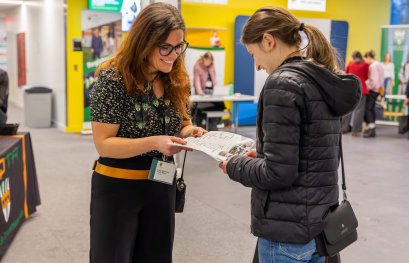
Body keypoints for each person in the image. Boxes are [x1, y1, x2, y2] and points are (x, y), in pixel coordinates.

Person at [218, 6, 360, 263]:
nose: (258, 65)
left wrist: (235, 165)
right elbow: (308, 155)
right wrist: (261, 155)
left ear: (268, 40)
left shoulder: (281, 84)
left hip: (287, 234)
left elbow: (278, 172)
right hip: (319, 229)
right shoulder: (320, 79)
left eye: (253, 54)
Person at [89, 3, 205, 262]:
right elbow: (104, 144)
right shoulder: (113, 80)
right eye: (165, 47)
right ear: (144, 42)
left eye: (179, 46)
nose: (173, 55)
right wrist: (154, 142)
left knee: (157, 256)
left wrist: (190, 131)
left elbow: (181, 122)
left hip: (161, 185)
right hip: (119, 187)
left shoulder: (175, 78)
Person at [192, 51, 225, 130]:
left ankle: (214, 124)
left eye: (210, 60)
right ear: (203, 58)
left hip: (211, 91)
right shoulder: (197, 66)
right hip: (201, 90)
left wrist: (215, 85)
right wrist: (199, 91)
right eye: (207, 59)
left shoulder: (212, 66)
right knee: (200, 106)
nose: (208, 61)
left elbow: (214, 77)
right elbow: (197, 80)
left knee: (220, 104)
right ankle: (201, 124)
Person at [343, 51, 369, 136]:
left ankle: (344, 128)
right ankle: (355, 131)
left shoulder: (350, 63)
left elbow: (346, 73)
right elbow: (366, 77)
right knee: (359, 110)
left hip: (350, 87)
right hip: (362, 88)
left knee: (348, 109)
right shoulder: (365, 64)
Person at [363, 50, 384, 138]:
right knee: (371, 109)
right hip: (378, 90)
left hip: (373, 90)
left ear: (368, 57)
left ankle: (371, 129)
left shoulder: (373, 66)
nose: (364, 61)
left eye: (365, 59)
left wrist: (368, 86)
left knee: (368, 109)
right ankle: (372, 129)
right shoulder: (378, 64)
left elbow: (374, 80)